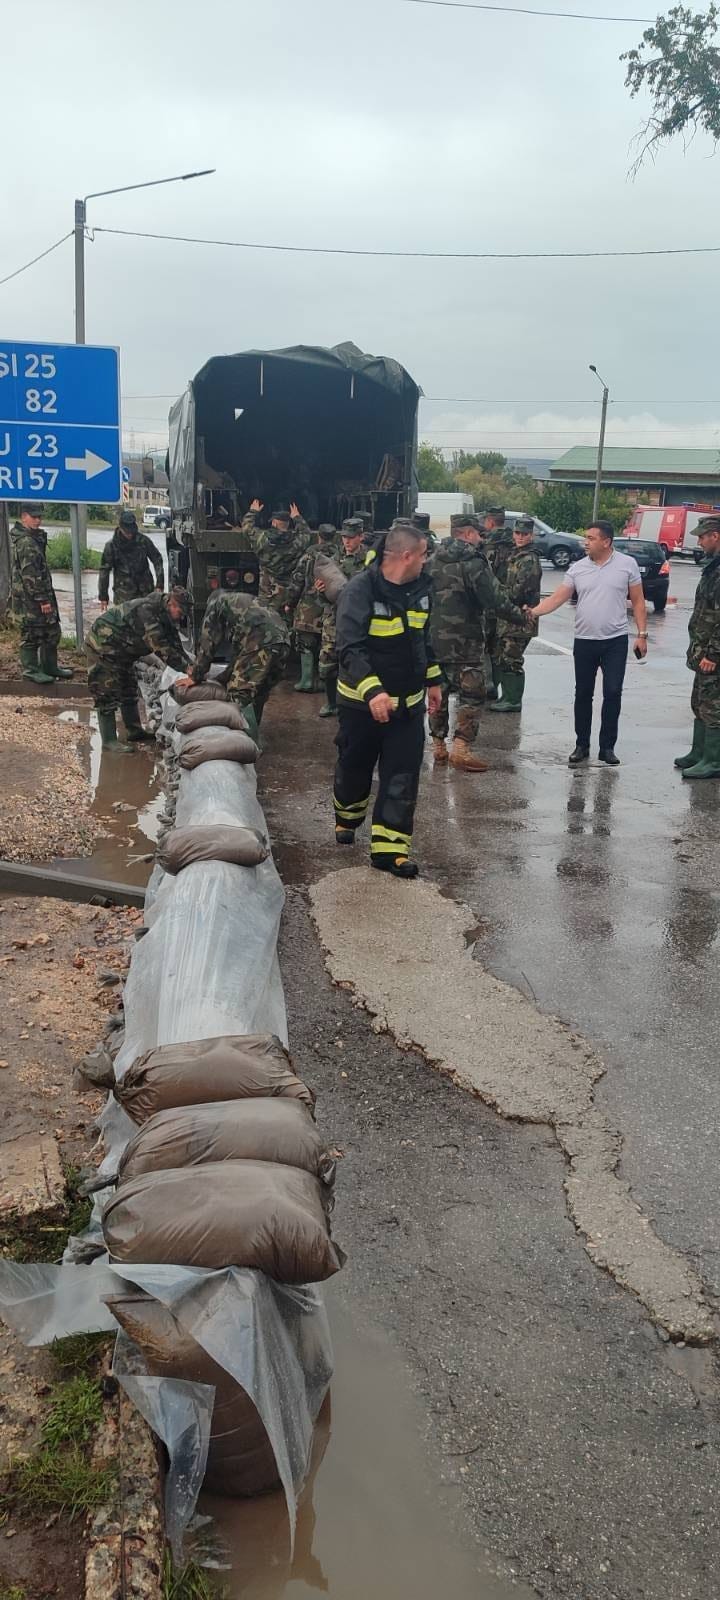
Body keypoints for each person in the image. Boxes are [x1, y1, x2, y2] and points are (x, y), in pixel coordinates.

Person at [333, 520, 443, 878]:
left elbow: (423, 640)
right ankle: (347, 817)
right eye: (424, 555)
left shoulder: (422, 589)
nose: (427, 562)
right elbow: (349, 648)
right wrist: (374, 691)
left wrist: (434, 681)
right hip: (360, 704)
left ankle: (389, 851)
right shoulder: (360, 590)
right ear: (407, 555)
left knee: (402, 774)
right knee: (355, 766)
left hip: (407, 706)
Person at [528, 518, 647, 766]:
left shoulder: (627, 565)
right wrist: (533, 612)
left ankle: (607, 747)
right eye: (586, 538)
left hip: (615, 641)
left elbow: (637, 601)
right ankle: (582, 744)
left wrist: (642, 635)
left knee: (613, 692)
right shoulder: (578, 568)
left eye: (591, 538)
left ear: (606, 541)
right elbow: (559, 597)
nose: (585, 543)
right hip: (584, 641)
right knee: (583, 693)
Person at [428, 512, 526, 770]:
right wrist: (520, 616)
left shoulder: (431, 559)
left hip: (434, 641)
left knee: (438, 693)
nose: (481, 538)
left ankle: (438, 747)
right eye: (478, 533)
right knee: (472, 695)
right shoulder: (472, 561)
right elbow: (494, 599)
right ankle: (461, 748)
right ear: (468, 533)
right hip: (467, 643)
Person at [175, 590, 290, 744]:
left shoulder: (216, 605)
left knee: (240, 694)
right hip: (283, 642)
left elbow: (208, 642)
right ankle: (250, 736)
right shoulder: (244, 603)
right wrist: (223, 677)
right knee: (260, 690)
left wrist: (196, 675)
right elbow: (240, 657)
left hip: (260, 642)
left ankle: (247, 743)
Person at [86, 587, 190, 750]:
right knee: (106, 691)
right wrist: (189, 671)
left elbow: (176, 645)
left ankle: (134, 730)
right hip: (104, 645)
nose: (182, 616)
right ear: (172, 604)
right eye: (181, 611)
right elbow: (163, 649)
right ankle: (109, 741)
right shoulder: (147, 611)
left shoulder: (166, 614)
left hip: (124, 650)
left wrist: (193, 668)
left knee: (129, 687)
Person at [675, 516, 720, 779]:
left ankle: (713, 760)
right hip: (702, 649)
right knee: (700, 702)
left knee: (714, 706)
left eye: (702, 537)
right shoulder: (712, 567)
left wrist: (714, 653)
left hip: (713, 653)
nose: (700, 542)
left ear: (715, 535)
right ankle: (699, 752)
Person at [10, 504, 73, 683]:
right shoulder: (26, 542)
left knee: (52, 631)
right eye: (34, 517)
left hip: (40, 595)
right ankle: (30, 670)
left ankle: (50, 666)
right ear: (24, 517)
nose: (38, 520)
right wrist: (42, 599)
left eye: (39, 517)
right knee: (31, 633)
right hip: (30, 599)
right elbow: (30, 575)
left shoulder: (34, 538)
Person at [315, 517, 367, 717]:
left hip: (357, 620)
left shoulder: (368, 561)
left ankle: (357, 703)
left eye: (351, 537)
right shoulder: (333, 561)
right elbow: (323, 597)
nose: (347, 541)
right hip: (333, 619)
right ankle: (331, 703)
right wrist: (320, 590)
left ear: (361, 537)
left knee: (357, 660)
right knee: (327, 662)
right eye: (344, 537)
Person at [489, 516, 542, 713]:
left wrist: (496, 590)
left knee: (512, 658)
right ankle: (507, 696)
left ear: (531, 535)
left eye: (525, 534)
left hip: (521, 618)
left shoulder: (529, 559)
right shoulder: (517, 555)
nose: (520, 537)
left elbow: (518, 592)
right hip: (510, 616)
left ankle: (513, 700)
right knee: (505, 656)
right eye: (517, 533)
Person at [286, 524, 338, 692]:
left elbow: (297, 579)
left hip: (309, 606)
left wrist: (290, 602)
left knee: (305, 643)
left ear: (319, 536)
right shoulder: (340, 554)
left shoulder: (310, 554)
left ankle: (307, 681)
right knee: (328, 645)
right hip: (331, 606)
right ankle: (325, 680)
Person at [241, 500, 312, 613]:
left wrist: (253, 511)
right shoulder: (296, 543)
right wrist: (297, 517)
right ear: (288, 524)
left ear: (273, 523)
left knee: (265, 619)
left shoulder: (262, 540)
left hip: (267, 593)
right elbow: (306, 533)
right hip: (288, 595)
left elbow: (247, 528)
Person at [98, 510, 164, 609]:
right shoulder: (111, 546)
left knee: (148, 621)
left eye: (131, 532)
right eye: (127, 532)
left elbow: (157, 559)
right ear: (120, 528)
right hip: (123, 595)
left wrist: (159, 584)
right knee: (125, 623)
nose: (130, 535)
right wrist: (103, 596)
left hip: (145, 592)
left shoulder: (143, 541)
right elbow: (104, 571)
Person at [482, 506, 514, 699]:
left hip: (489, 602)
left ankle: (488, 684)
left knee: (484, 644)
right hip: (508, 603)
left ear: (490, 522)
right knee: (500, 647)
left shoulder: (487, 545)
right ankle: (499, 685)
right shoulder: (515, 544)